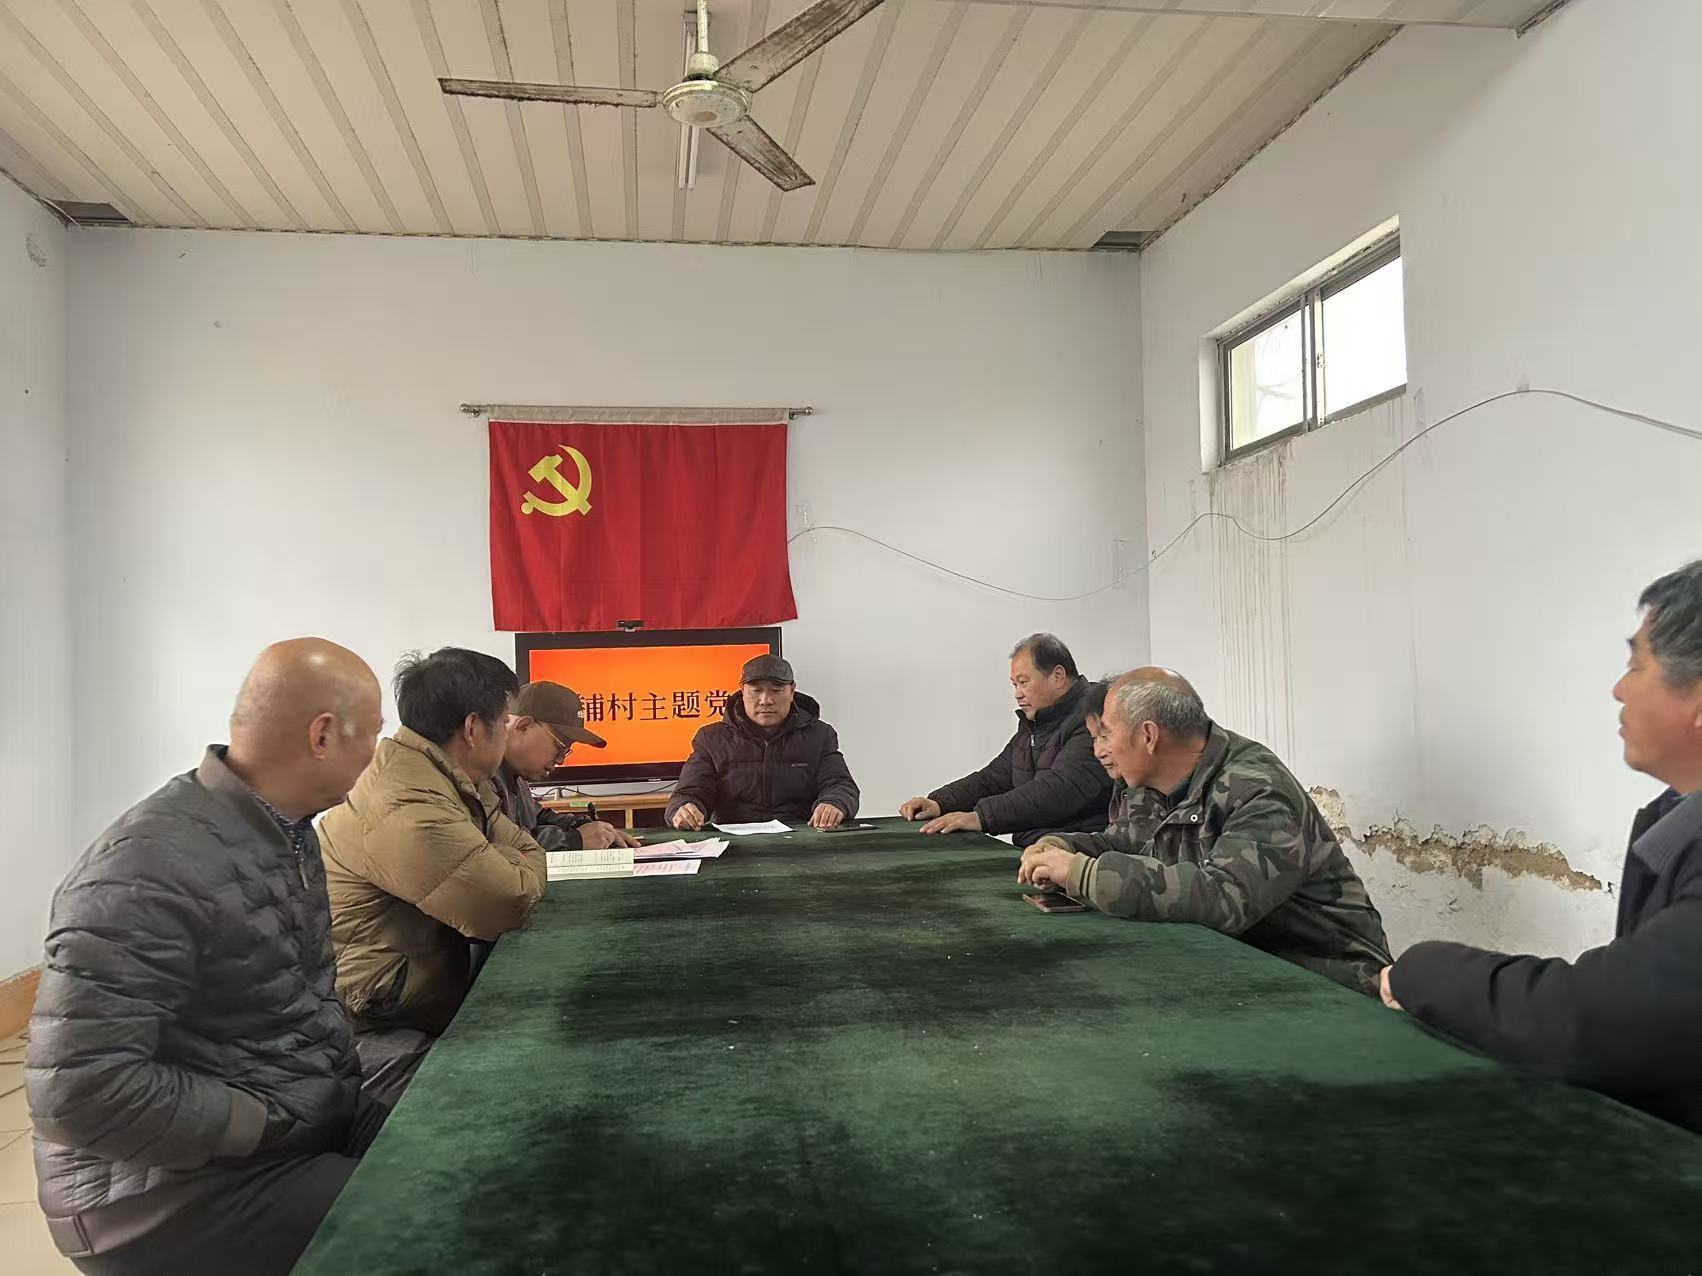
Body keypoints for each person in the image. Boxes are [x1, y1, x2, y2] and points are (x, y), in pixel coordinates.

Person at [25, 638, 386, 1276]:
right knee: (432, 1209)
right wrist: (265, 1121)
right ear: (323, 735)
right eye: (374, 734)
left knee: (454, 1144)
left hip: (286, 1122)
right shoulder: (147, 865)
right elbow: (79, 1092)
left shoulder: (282, 829)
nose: (376, 755)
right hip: (160, 1194)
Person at [1381, 562, 1702, 1131]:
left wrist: (1420, 969)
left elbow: (1603, 1022)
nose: (1619, 688)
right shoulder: (1674, 818)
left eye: (1637, 666)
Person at [1018, 668, 1392, 995]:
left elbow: (1225, 897)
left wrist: (1084, 874)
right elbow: (1124, 843)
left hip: (1329, 980)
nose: (1099, 750)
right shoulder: (1148, 785)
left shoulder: (1257, 789)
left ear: (1148, 736)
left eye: (1107, 734)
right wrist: (1060, 849)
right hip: (1242, 969)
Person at [319, 648, 546, 1101]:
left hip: (415, 988)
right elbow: (507, 902)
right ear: (473, 728)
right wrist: (511, 861)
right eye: (503, 721)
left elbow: (523, 847)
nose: (507, 732)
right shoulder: (407, 802)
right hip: (379, 1022)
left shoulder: (449, 778)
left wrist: (509, 858)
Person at [900, 634, 1112, 846]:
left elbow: (1060, 789)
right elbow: (994, 778)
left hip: (1076, 850)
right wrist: (940, 803)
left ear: (1058, 676)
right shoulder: (1037, 723)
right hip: (1037, 848)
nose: (1017, 694)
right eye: (1014, 684)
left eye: (1024, 682)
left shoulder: (1095, 717)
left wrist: (981, 817)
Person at [666, 654, 859, 831]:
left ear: (792, 691)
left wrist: (835, 803)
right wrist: (685, 808)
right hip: (735, 842)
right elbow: (690, 792)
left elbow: (840, 785)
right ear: (742, 691)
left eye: (776, 690)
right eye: (756, 691)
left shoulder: (819, 735)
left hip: (801, 838)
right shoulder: (711, 738)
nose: (765, 700)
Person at [489, 680, 640, 851]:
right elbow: (499, 846)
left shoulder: (516, 776)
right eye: (559, 747)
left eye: (567, 751)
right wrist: (574, 840)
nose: (561, 760)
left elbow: (537, 817)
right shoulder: (481, 775)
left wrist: (588, 828)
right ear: (523, 727)